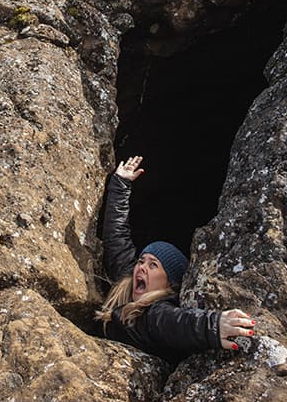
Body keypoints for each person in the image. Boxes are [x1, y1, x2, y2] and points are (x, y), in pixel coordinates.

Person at [96, 155, 254, 363]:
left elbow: (178, 323)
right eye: (142, 261)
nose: (142, 267)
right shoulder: (127, 284)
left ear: (169, 282)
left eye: (153, 265)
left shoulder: (156, 312)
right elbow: (116, 237)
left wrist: (213, 326)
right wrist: (120, 184)